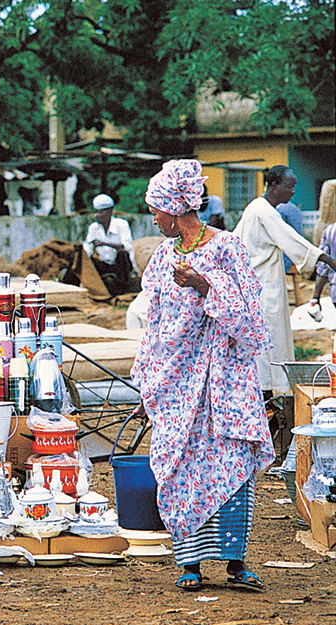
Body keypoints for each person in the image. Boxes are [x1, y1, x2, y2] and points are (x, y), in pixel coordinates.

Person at [131, 159, 276, 592]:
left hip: (223, 383)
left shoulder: (226, 247)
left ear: (176, 210)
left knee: (230, 465)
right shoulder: (160, 257)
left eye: (156, 210)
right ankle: (189, 563)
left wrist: (204, 286)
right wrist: (147, 382)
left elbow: (252, 315)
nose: (153, 218)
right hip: (175, 384)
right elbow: (153, 325)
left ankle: (235, 562)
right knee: (179, 467)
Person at [233, 165, 336, 396]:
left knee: (265, 339)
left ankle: (267, 387)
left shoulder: (255, 208)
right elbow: (292, 241)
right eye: (289, 187)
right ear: (275, 186)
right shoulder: (264, 212)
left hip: (260, 284)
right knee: (270, 338)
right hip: (263, 287)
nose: (293, 192)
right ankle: (271, 390)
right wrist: (328, 259)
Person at [83, 193, 136, 295]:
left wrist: (105, 244)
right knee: (89, 260)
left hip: (121, 265)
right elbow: (88, 248)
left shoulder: (121, 224)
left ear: (109, 211)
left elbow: (127, 246)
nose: (97, 215)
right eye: (96, 212)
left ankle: (121, 287)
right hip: (106, 264)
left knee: (122, 254)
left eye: (101, 212)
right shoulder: (93, 228)